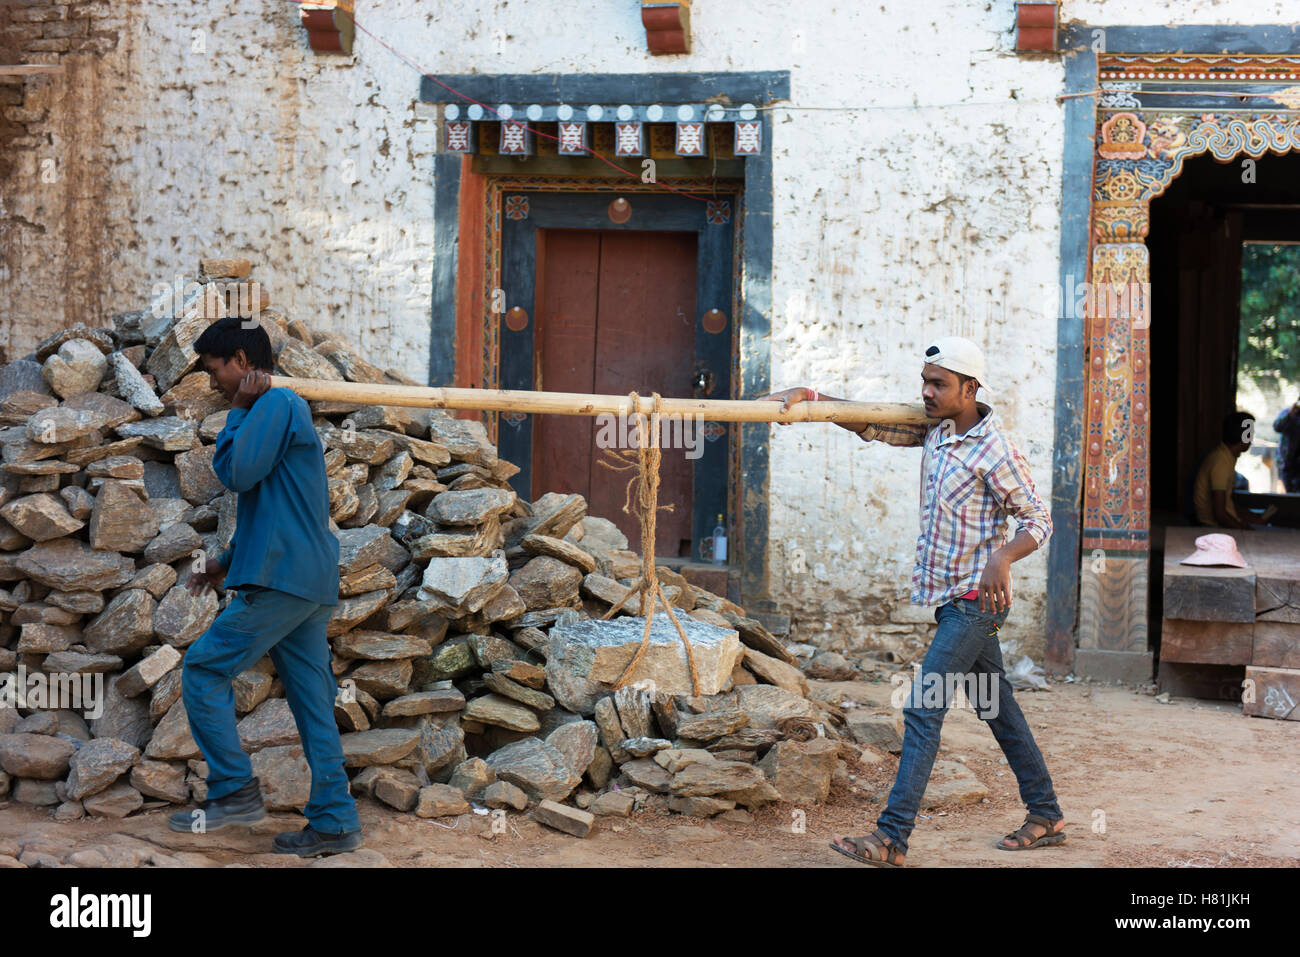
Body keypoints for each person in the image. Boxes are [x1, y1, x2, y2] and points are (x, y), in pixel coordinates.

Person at [759, 337, 1064, 866]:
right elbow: (871, 425)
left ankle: (890, 839)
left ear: (970, 389)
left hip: (978, 601)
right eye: (924, 380)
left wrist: (1002, 559)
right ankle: (1047, 813)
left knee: (924, 707)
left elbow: (1039, 519)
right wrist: (809, 396)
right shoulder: (938, 430)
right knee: (1000, 709)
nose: (926, 391)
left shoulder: (994, 449)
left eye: (938, 384)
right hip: (953, 601)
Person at [167, 316, 362, 857]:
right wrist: (226, 563)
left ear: (243, 363)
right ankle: (335, 822)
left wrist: (237, 412)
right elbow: (277, 508)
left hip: (283, 581)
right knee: (314, 705)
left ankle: (232, 790)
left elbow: (238, 473)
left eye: (215, 370)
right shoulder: (280, 410)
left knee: (205, 668)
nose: (211, 383)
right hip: (303, 577)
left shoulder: (273, 405)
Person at [1192, 411, 1262, 530]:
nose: (1251, 439)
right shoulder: (1221, 462)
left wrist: (1248, 516)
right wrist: (1245, 531)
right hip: (1212, 527)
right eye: (1250, 434)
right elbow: (1220, 514)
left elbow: (1227, 506)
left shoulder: (1226, 456)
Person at [1273, 399, 1300, 493]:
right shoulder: (1287, 413)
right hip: (1287, 461)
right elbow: (1277, 426)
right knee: (1290, 492)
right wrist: (1290, 414)